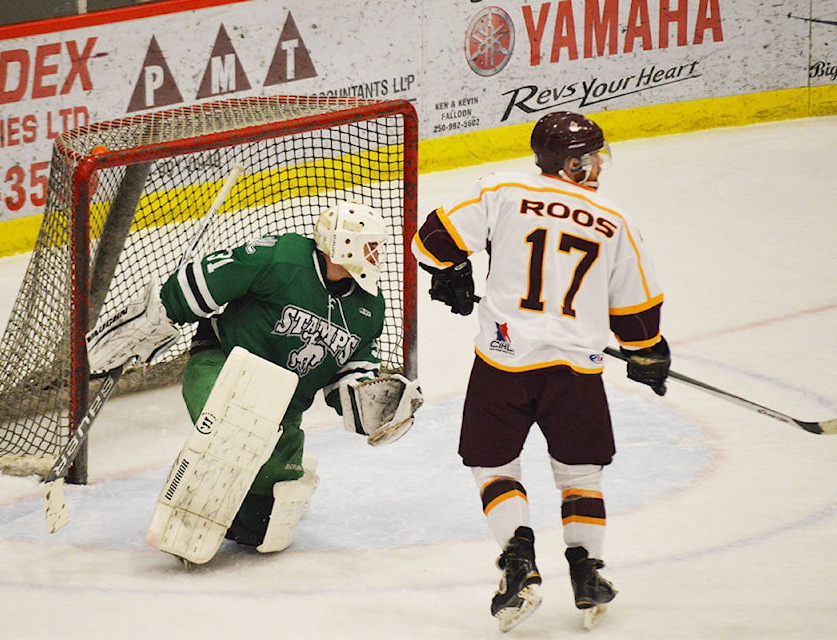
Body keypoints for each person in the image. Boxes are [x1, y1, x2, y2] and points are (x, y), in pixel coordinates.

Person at [411, 111, 670, 631]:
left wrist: (454, 273)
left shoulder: (503, 189)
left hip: (503, 364)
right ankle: (587, 568)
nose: (599, 163)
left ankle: (518, 562)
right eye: (592, 155)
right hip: (577, 371)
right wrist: (648, 353)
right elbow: (637, 316)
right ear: (573, 164)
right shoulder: (616, 220)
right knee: (580, 474)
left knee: (494, 466)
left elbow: (432, 239)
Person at [88, 200, 422, 562]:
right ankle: (188, 510)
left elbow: (350, 372)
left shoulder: (368, 307)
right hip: (225, 364)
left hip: (284, 405)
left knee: (257, 528)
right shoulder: (283, 259)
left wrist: (372, 402)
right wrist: (164, 312)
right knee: (232, 429)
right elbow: (210, 277)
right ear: (341, 245)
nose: (375, 255)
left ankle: (250, 496)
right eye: (369, 246)